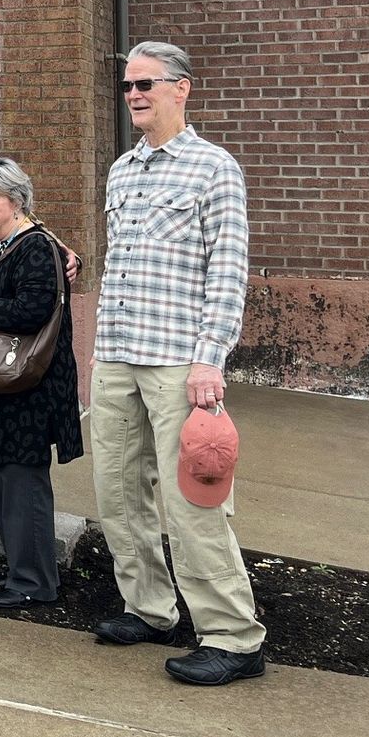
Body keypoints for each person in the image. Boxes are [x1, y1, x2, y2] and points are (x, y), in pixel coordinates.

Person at [93, 42, 266, 685]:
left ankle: (233, 636)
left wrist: (209, 360)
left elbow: (227, 272)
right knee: (116, 492)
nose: (134, 94)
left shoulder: (213, 168)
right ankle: (151, 608)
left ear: (181, 89)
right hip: (116, 355)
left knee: (195, 501)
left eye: (145, 84)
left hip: (178, 363)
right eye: (128, 85)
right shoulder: (121, 170)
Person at [0, 157, 82, 607]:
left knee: (23, 485)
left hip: (28, 390)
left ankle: (35, 582)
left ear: (17, 201)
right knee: (6, 483)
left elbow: (32, 310)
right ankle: (22, 575)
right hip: (3, 388)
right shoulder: (1, 244)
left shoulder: (33, 246)